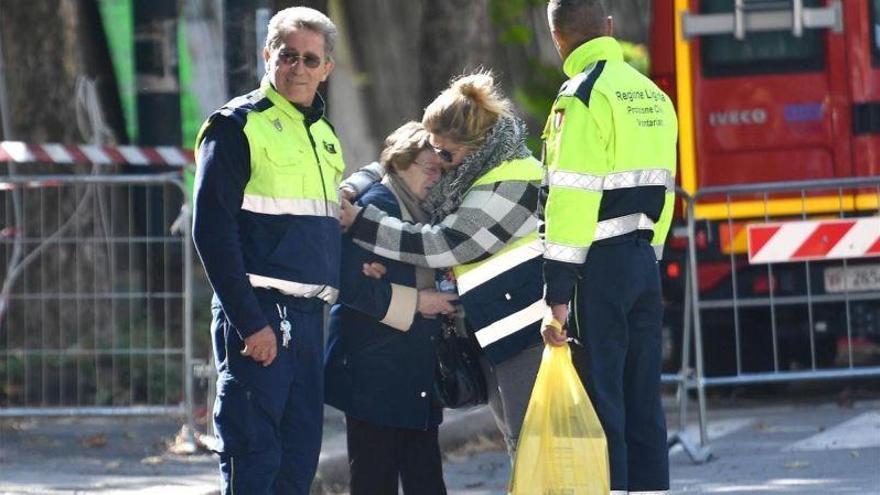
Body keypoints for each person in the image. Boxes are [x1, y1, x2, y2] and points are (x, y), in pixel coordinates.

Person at [339, 71, 545, 458]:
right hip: (492, 327)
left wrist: (363, 222)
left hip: (525, 332)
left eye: (446, 156)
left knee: (531, 441)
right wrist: (352, 187)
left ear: (477, 145)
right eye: (436, 153)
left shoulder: (515, 180)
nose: (441, 164)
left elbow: (447, 244)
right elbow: (396, 158)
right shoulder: (473, 166)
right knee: (519, 440)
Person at [191, 7, 343, 494]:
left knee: (297, 463)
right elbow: (212, 232)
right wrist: (249, 321)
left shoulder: (323, 134)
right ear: (268, 56)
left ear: (326, 68)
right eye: (288, 55)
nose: (298, 67)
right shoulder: (236, 126)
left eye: (310, 59)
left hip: (307, 318)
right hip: (260, 314)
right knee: (253, 459)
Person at [539, 1, 679, 494]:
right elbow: (665, 190)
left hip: (596, 267)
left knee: (602, 401)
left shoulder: (581, 96)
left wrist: (557, 292)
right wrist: (651, 259)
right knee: (644, 399)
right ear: (610, 28)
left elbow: (571, 199)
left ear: (557, 37)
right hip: (643, 258)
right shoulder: (653, 96)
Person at [325, 122, 455, 494]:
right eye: (429, 168)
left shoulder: (424, 207)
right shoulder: (377, 204)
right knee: (377, 478)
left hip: (409, 367)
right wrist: (419, 300)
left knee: (423, 476)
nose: (437, 178)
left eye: (441, 170)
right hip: (374, 370)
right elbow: (348, 284)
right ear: (400, 164)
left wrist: (388, 281)